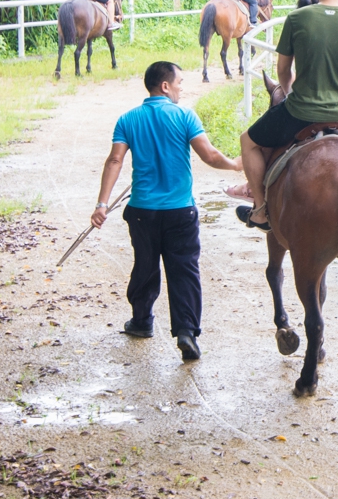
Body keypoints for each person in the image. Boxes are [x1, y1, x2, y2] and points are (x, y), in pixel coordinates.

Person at [89, 60, 241, 362]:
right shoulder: (184, 116)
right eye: (180, 83)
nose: (182, 89)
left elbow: (115, 161)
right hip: (180, 211)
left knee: (145, 266)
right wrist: (236, 164)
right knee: (184, 270)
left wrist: (102, 205)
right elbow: (209, 155)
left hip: (142, 211)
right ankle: (186, 331)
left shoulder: (128, 119)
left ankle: (142, 322)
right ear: (165, 86)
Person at [230, 0, 338, 228]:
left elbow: (283, 70)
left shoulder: (297, 18)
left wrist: (290, 92)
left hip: (300, 112)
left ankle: (260, 209)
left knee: (248, 140)